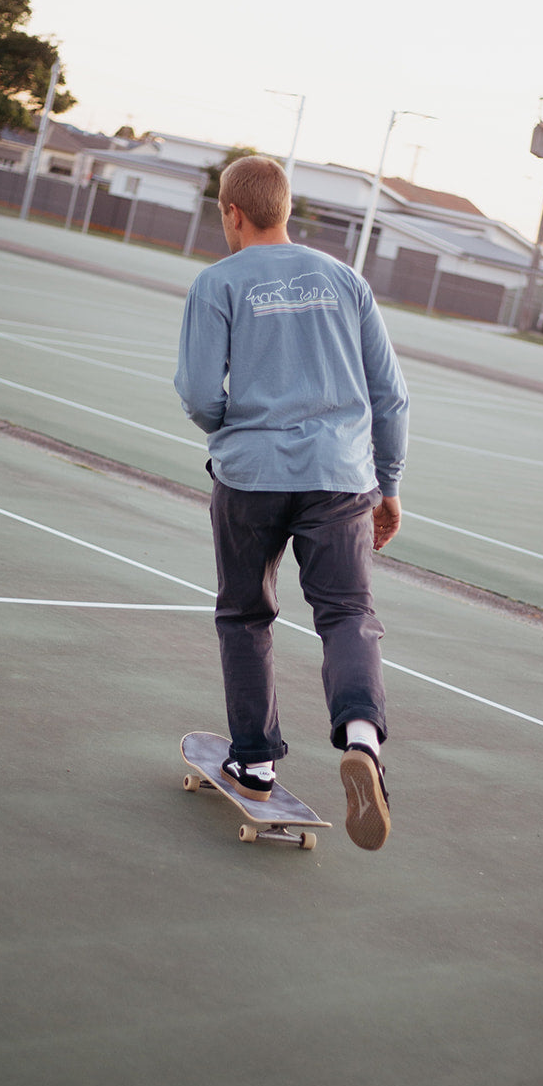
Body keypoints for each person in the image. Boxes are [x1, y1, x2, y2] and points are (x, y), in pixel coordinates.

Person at [174, 155, 409, 850]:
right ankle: (361, 739)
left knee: (245, 612)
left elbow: (195, 393)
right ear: (284, 208)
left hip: (250, 477)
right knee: (347, 614)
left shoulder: (216, 283)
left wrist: (235, 429)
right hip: (339, 476)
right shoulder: (345, 280)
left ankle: (254, 759)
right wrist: (387, 483)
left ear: (232, 213)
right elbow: (391, 394)